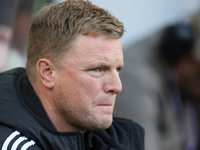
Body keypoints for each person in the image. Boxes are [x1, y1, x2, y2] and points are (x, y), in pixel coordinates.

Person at [0, 0, 144, 150]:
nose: (117, 86)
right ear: (47, 73)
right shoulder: (12, 143)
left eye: (118, 69)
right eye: (96, 69)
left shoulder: (116, 139)